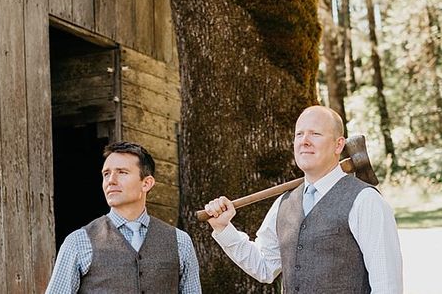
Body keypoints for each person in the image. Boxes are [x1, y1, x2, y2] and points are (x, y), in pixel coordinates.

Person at [203, 105, 403, 293]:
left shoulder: (365, 201)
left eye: (315, 133)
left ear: (338, 145)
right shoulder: (284, 204)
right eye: (299, 134)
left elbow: (387, 285)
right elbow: (264, 266)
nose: (304, 140)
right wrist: (223, 228)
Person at [45, 141, 201, 293]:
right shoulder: (78, 241)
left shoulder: (181, 241)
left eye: (122, 172)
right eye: (106, 174)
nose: (111, 181)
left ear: (146, 183)